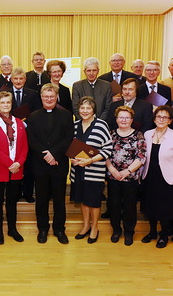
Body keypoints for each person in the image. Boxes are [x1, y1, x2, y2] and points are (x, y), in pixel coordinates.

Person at [27, 83, 73, 244]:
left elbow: (68, 139)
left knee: (60, 199)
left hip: (59, 164)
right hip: (40, 165)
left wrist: (54, 154)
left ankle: (59, 229)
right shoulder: (33, 116)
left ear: (56, 97)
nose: (48, 99)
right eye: (45, 96)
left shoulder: (67, 115)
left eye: (51, 96)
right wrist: (46, 155)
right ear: (41, 97)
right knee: (41, 199)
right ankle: (43, 229)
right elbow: (32, 140)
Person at [0, 91, 28, 245]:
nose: (5, 105)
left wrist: (19, 163)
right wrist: (10, 164)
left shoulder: (18, 122)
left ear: (11, 104)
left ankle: (12, 229)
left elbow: (24, 146)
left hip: (17, 169)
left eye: (8, 102)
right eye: (2, 102)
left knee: (12, 200)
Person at [70, 96, 112, 244]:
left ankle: (95, 227)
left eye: (88, 108)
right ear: (78, 110)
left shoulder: (101, 125)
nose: (85, 111)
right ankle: (86, 226)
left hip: (95, 171)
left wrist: (91, 160)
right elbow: (70, 147)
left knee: (93, 202)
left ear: (93, 110)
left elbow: (108, 148)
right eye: (82, 108)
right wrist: (73, 159)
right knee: (82, 200)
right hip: (78, 171)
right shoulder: (75, 125)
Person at [106, 106, 146, 246]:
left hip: (131, 178)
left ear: (131, 120)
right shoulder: (110, 135)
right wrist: (112, 170)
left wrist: (127, 171)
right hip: (113, 177)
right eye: (121, 117)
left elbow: (141, 157)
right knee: (114, 205)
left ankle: (129, 232)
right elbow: (104, 154)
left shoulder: (138, 135)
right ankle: (116, 230)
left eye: (127, 117)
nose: (124, 120)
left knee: (130, 206)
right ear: (116, 119)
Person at [141, 106, 173, 248]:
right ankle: (152, 232)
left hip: (167, 177)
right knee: (150, 205)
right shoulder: (147, 134)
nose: (161, 119)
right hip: (149, 174)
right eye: (158, 116)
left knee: (164, 207)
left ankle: (164, 235)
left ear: (170, 121)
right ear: (154, 119)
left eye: (165, 117)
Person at [10, 67, 42, 203]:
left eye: (21, 78)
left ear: (25, 79)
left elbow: (36, 113)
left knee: (28, 164)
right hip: (10, 134)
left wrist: (25, 123)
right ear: (11, 79)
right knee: (15, 163)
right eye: (15, 79)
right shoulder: (5, 94)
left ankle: (28, 193)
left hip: (28, 134)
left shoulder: (33, 94)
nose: (18, 81)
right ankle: (15, 193)